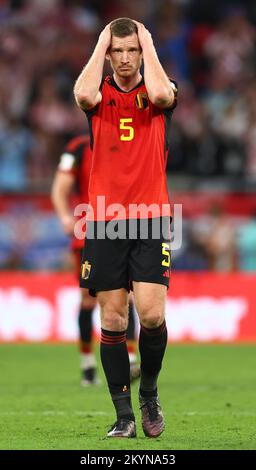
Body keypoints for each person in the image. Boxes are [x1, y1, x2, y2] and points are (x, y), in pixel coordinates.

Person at [74, 18, 177, 438]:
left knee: (151, 315)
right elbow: (82, 93)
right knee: (114, 320)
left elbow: (158, 93)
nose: (125, 58)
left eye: (131, 50)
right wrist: (101, 42)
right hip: (103, 218)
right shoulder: (99, 95)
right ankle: (124, 417)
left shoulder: (161, 88)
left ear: (141, 50)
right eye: (118, 51)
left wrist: (147, 40)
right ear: (108, 53)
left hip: (152, 216)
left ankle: (148, 392)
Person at [51, 134, 140, 386]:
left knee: (129, 294)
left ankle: (131, 359)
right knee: (88, 300)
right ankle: (88, 365)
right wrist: (65, 217)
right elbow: (60, 186)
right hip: (89, 231)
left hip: (126, 226)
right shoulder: (78, 146)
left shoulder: (132, 140)